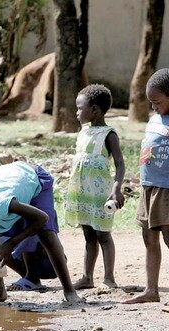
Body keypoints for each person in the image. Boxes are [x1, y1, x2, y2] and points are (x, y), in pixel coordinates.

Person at [0, 161, 82, 304]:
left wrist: (11, 244)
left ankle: (69, 290)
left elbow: (42, 218)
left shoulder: (3, 205)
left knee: (46, 234)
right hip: (6, 178)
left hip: (34, 178)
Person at [122, 68, 169, 305]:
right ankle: (151, 290)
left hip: (167, 189)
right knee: (149, 239)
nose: (153, 107)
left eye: (157, 102)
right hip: (148, 188)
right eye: (151, 103)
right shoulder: (155, 119)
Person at [65, 84, 125, 289]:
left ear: (95, 110)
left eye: (80, 108)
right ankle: (87, 277)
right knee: (88, 234)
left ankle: (109, 278)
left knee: (103, 234)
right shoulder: (83, 132)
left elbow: (120, 163)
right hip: (83, 192)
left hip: (101, 194)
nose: (77, 112)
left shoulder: (109, 134)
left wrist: (116, 189)